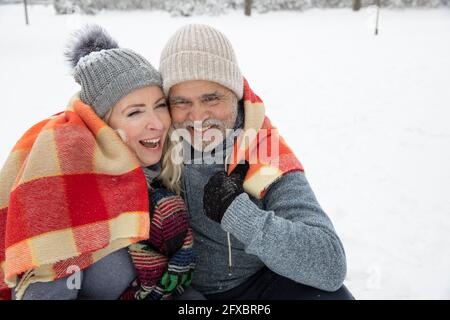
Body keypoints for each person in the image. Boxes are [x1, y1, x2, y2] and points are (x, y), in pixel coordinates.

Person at [0, 25, 197, 300]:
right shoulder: (67, 196)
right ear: (101, 125)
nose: (156, 123)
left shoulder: (168, 168)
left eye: (160, 105)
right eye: (135, 112)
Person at [159, 24, 354, 300]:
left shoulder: (263, 149)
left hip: (257, 284)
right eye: (181, 102)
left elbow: (330, 264)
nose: (198, 117)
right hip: (176, 291)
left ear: (236, 97)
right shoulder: (152, 143)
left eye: (211, 98)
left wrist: (240, 216)